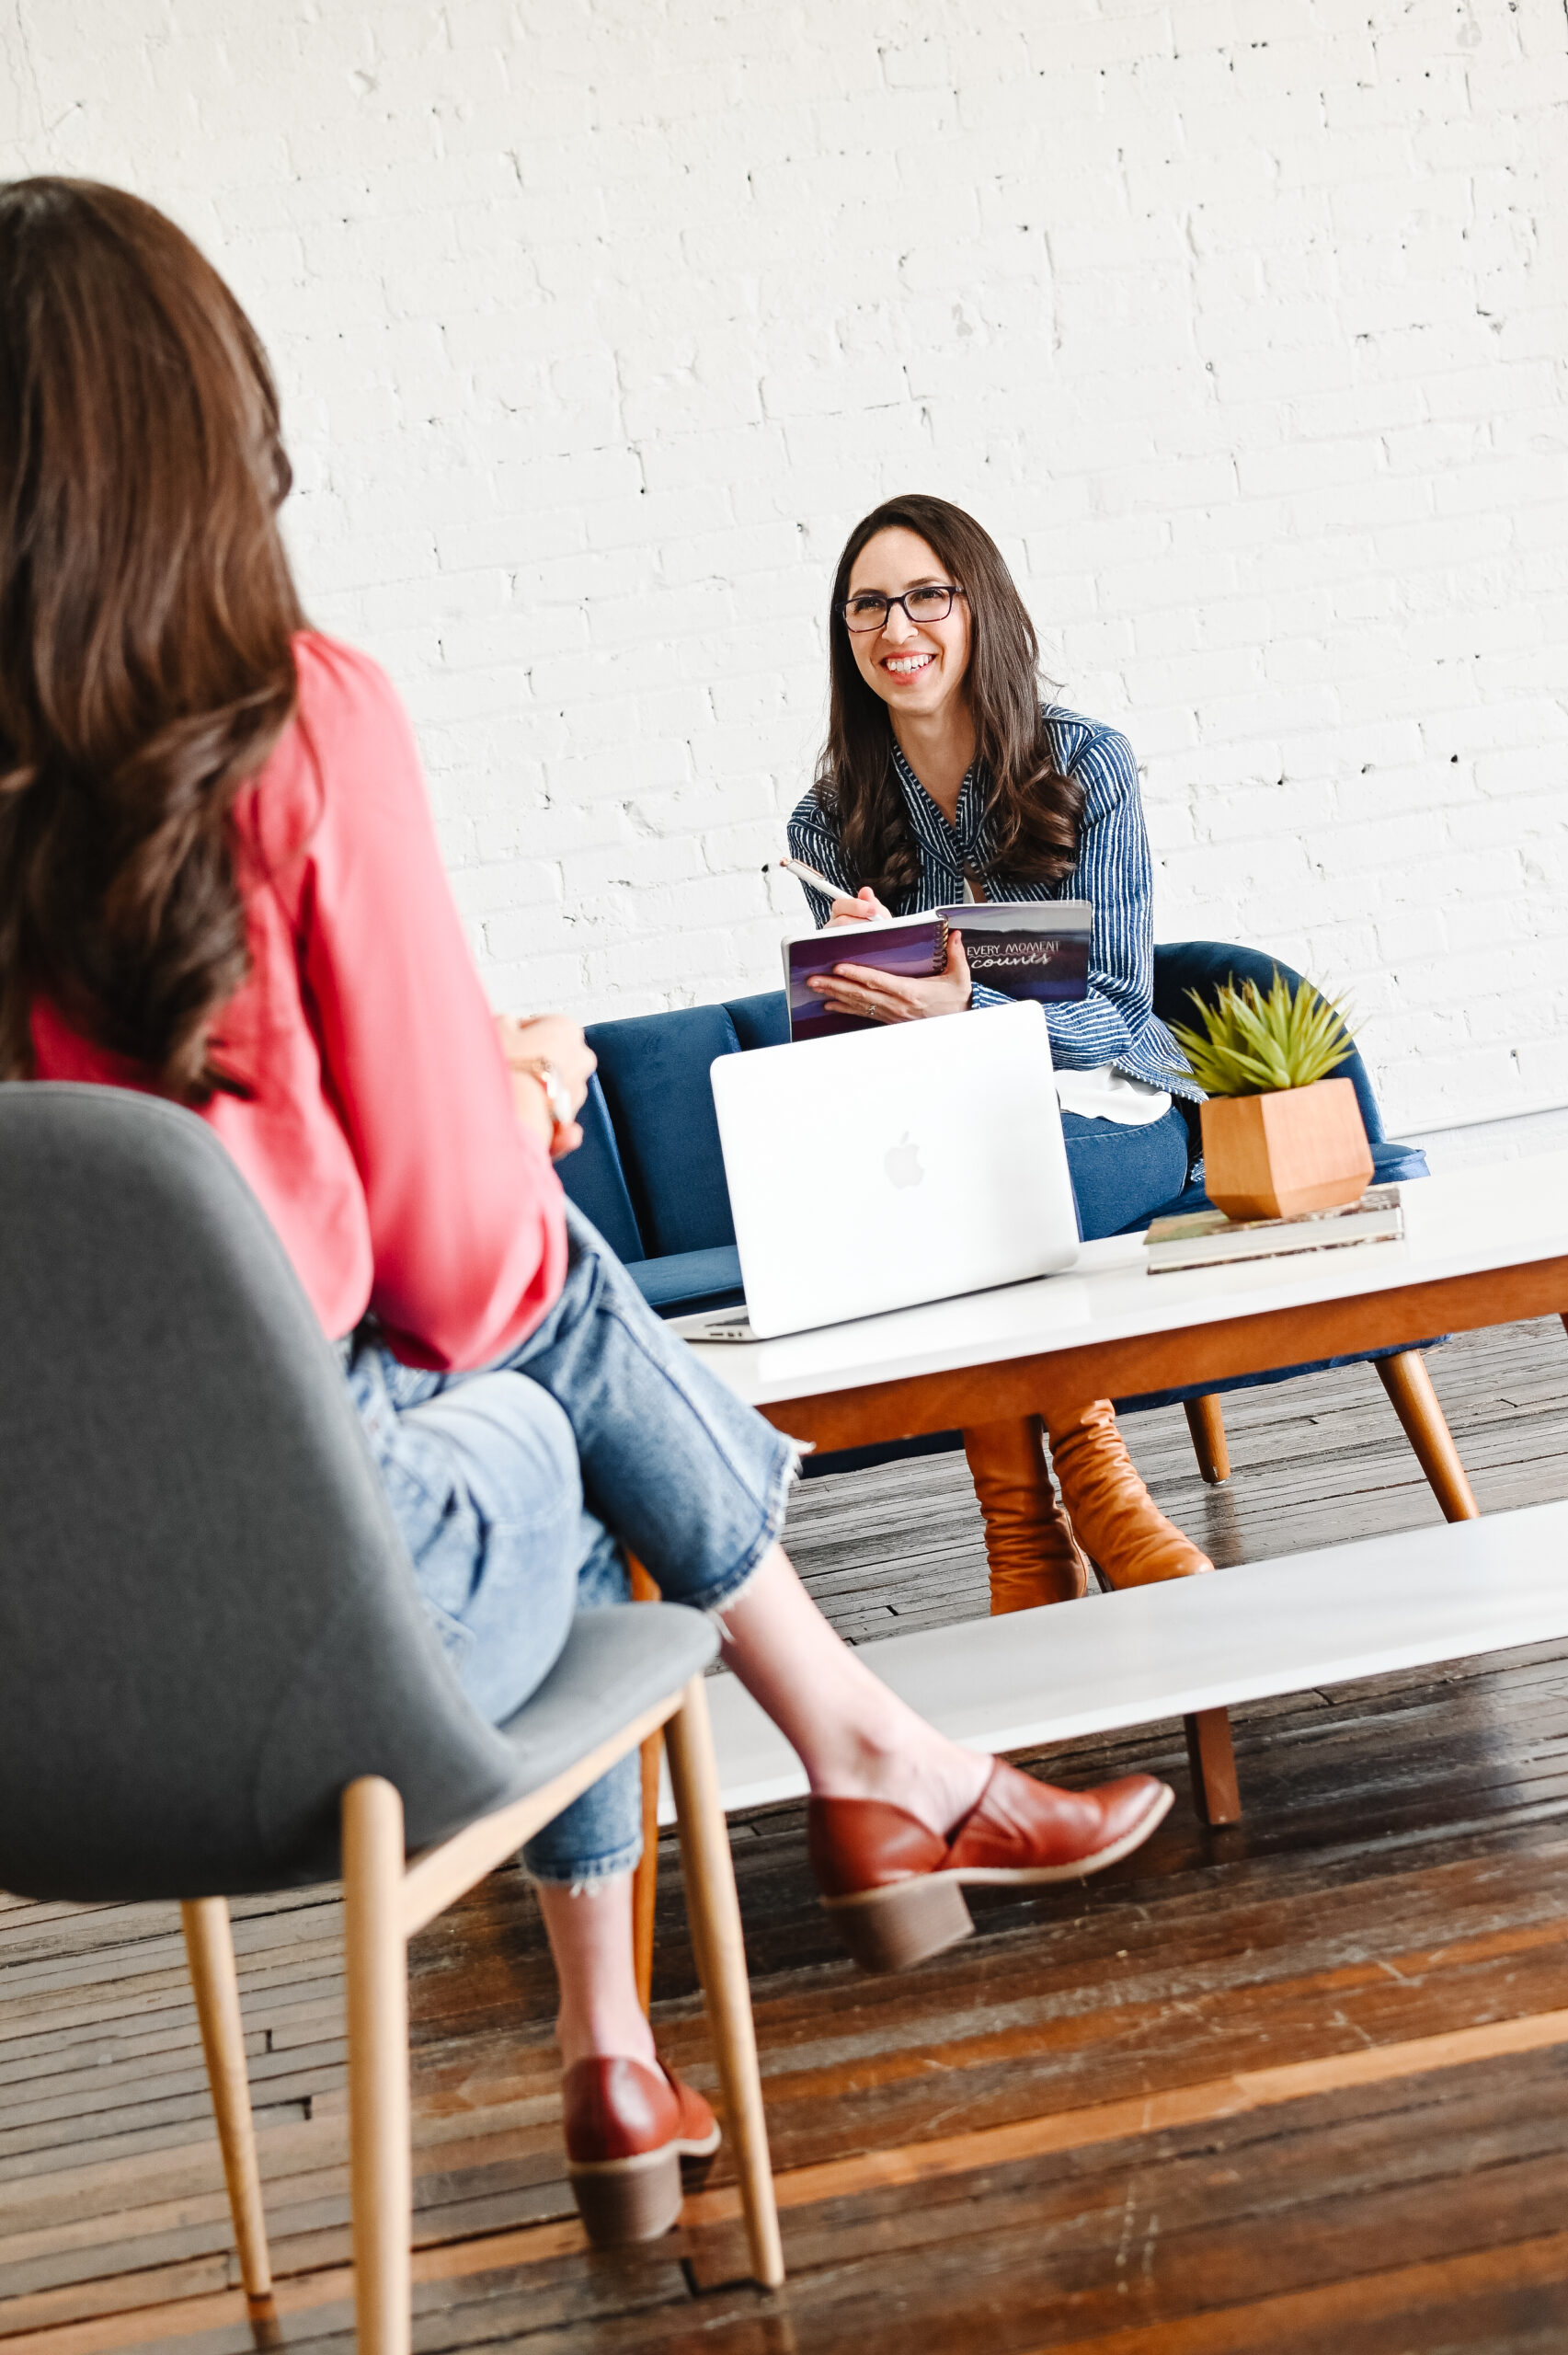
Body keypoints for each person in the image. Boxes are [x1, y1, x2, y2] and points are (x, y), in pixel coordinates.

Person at [0, 180, 1174, 2247]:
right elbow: (455, 1274)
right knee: (541, 1364)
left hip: (36, 1685)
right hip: (340, 1637)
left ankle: (632, 2026)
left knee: (517, 1356)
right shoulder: (291, 716)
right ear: (204, 435)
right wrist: (487, 1093)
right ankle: (854, 1762)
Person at [788, 494, 1214, 1614]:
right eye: (867, 605)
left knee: (976, 1189)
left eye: (926, 595)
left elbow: (1122, 1008)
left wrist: (971, 1016)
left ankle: (1061, 1515)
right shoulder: (824, 824)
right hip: (945, 1131)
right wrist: (868, 994)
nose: (898, 627)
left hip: (1110, 1107)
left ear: (979, 609)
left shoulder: (1087, 766)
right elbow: (848, 1056)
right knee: (940, 1183)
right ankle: (1047, 1519)